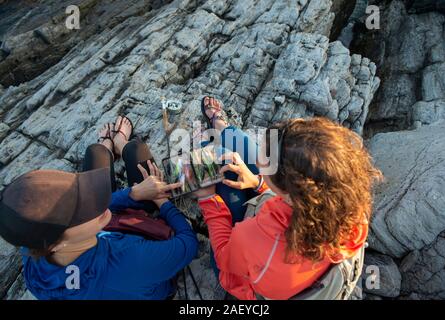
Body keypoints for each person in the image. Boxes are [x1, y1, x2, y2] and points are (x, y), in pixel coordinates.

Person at [195, 97, 382, 300]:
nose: (258, 159)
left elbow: (224, 258)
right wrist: (259, 183)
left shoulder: (251, 237)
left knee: (220, 168)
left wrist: (208, 198)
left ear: (288, 192)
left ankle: (205, 143)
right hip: (285, 246)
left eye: (264, 158)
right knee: (239, 150)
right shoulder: (350, 206)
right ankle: (220, 126)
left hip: (250, 274)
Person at [0, 115, 198, 300]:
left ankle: (107, 145)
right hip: (142, 261)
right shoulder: (129, 260)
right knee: (136, 150)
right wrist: (161, 202)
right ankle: (120, 144)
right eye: (82, 209)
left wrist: (132, 194)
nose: (97, 200)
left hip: (103, 236)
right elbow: (188, 244)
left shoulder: (34, 252)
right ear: (57, 244)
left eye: (79, 190)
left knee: (96, 152)